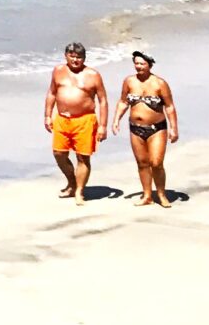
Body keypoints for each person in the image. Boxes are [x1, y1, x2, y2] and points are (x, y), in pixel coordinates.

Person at [44, 42, 109, 199]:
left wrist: (103, 126)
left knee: (82, 156)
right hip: (62, 119)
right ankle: (72, 183)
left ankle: (79, 191)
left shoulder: (93, 75)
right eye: (72, 56)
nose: (75, 60)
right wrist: (47, 115)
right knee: (59, 154)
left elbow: (103, 100)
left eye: (78, 57)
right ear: (66, 56)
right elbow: (52, 93)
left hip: (85, 119)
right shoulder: (58, 71)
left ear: (84, 58)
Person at [118, 51, 180, 208]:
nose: (139, 66)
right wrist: (116, 120)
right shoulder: (129, 81)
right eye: (136, 63)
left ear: (150, 65)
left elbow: (169, 106)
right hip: (135, 128)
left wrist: (174, 128)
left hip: (157, 128)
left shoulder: (160, 83)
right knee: (142, 163)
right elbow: (123, 102)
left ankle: (161, 194)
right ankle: (147, 195)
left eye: (142, 64)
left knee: (156, 162)